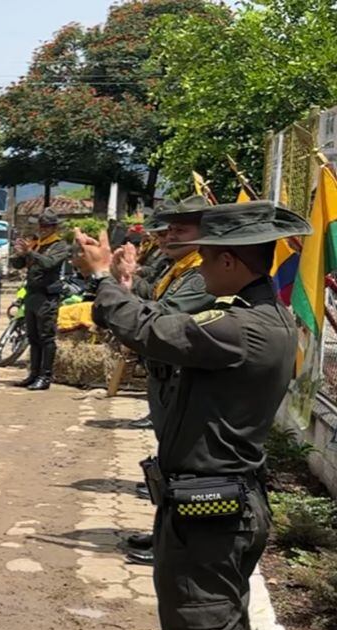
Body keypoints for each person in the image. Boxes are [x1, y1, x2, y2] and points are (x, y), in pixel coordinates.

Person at [75, 200, 311, 630]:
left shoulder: (246, 329)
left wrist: (105, 279)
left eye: (208, 255)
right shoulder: (254, 317)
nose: (200, 264)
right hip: (212, 505)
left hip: (214, 512)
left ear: (233, 259)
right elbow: (160, 326)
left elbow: (155, 331)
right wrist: (125, 288)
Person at [111, 196, 215, 565]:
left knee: (183, 466)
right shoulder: (179, 268)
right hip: (164, 378)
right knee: (169, 461)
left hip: (181, 381)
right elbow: (149, 298)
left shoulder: (203, 273)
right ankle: (165, 531)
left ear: (206, 234)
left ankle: (174, 543)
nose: (169, 236)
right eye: (168, 229)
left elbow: (161, 316)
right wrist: (128, 278)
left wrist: (114, 284)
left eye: (179, 230)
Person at [9, 210, 72, 391]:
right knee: (33, 337)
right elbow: (18, 265)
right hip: (32, 294)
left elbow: (48, 263)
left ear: (54, 227)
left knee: (46, 337)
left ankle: (45, 377)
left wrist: (31, 252)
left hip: (47, 296)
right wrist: (20, 253)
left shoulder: (60, 245)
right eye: (41, 225)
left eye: (47, 226)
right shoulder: (36, 244)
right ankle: (33, 374)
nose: (42, 229)